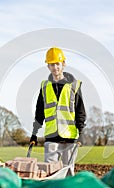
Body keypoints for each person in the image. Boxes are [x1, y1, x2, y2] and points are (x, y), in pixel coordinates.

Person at [30, 47, 86, 176]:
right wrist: (34, 133)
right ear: (48, 66)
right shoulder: (45, 87)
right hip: (51, 138)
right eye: (51, 64)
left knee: (68, 174)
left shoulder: (74, 86)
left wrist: (81, 132)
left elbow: (80, 111)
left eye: (57, 64)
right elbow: (39, 112)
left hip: (69, 138)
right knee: (49, 174)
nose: (55, 67)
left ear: (63, 64)